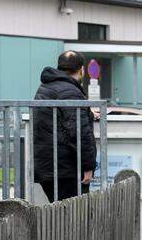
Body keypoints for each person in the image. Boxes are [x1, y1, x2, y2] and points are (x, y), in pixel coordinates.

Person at [33, 50, 96, 202]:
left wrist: (88, 113)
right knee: (73, 219)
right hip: (66, 170)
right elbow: (79, 132)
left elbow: (60, 121)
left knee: (59, 216)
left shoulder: (46, 87)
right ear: (82, 70)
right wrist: (88, 166)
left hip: (49, 167)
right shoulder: (71, 92)